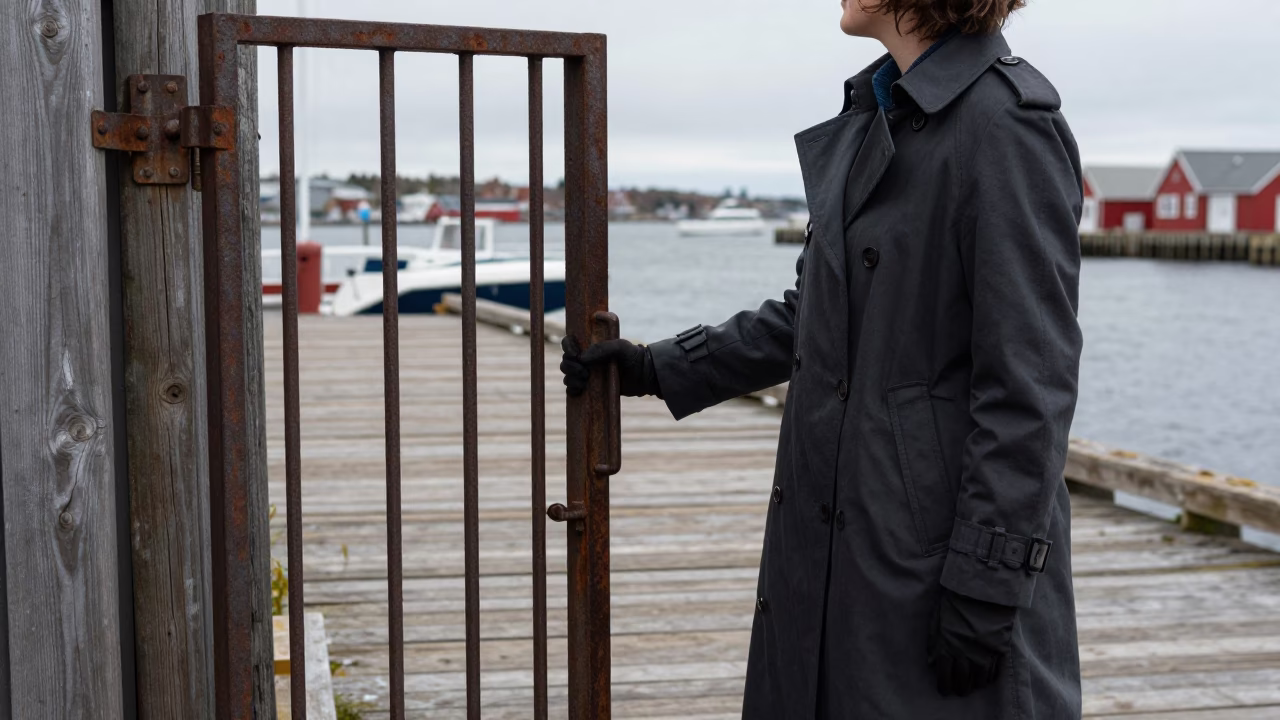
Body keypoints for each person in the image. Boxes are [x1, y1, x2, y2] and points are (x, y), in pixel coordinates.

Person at [562, 0, 1084, 717]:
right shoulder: (882, 110)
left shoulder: (1008, 126)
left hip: (927, 563)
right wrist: (659, 366)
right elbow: (815, 317)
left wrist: (985, 582)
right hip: (836, 538)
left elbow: (1032, 382)